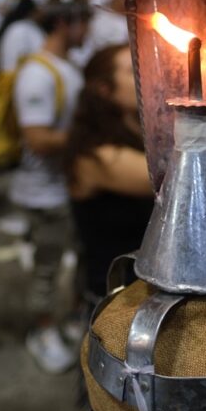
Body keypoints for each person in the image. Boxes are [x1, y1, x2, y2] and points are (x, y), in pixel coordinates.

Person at [9, 0, 88, 373]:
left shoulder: (63, 65)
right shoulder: (37, 74)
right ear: (63, 24)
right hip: (43, 191)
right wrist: (90, 135)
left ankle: (72, 320)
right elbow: (38, 139)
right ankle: (41, 330)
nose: (86, 32)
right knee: (47, 266)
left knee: (76, 257)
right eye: (82, 23)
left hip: (65, 187)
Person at [64, 44, 154, 304]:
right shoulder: (96, 155)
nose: (147, 74)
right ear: (105, 90)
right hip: (118, 302)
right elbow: (181, 180)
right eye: (133, 70)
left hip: (146, 293)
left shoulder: (144, 135)